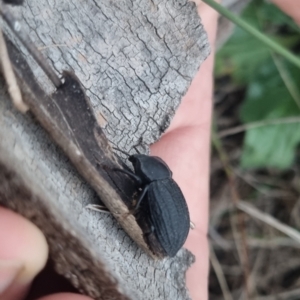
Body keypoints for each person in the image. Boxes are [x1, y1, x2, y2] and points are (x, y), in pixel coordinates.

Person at [0, 1, 298, 299]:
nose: (134, 163)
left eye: (138, 163)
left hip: (165, 239)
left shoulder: (154, 185)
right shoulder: (160, 181)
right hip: (170, 236)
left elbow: (141, 192)